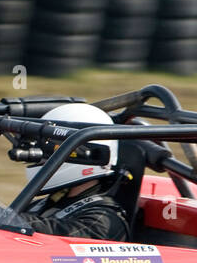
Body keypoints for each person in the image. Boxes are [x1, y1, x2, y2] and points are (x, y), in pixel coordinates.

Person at [19, 103, 132, 241]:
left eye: (49, 147)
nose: (39, 155)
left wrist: (6, 217)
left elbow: (61, 235)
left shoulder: (104, 222)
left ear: (83, 153)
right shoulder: (43, 204)